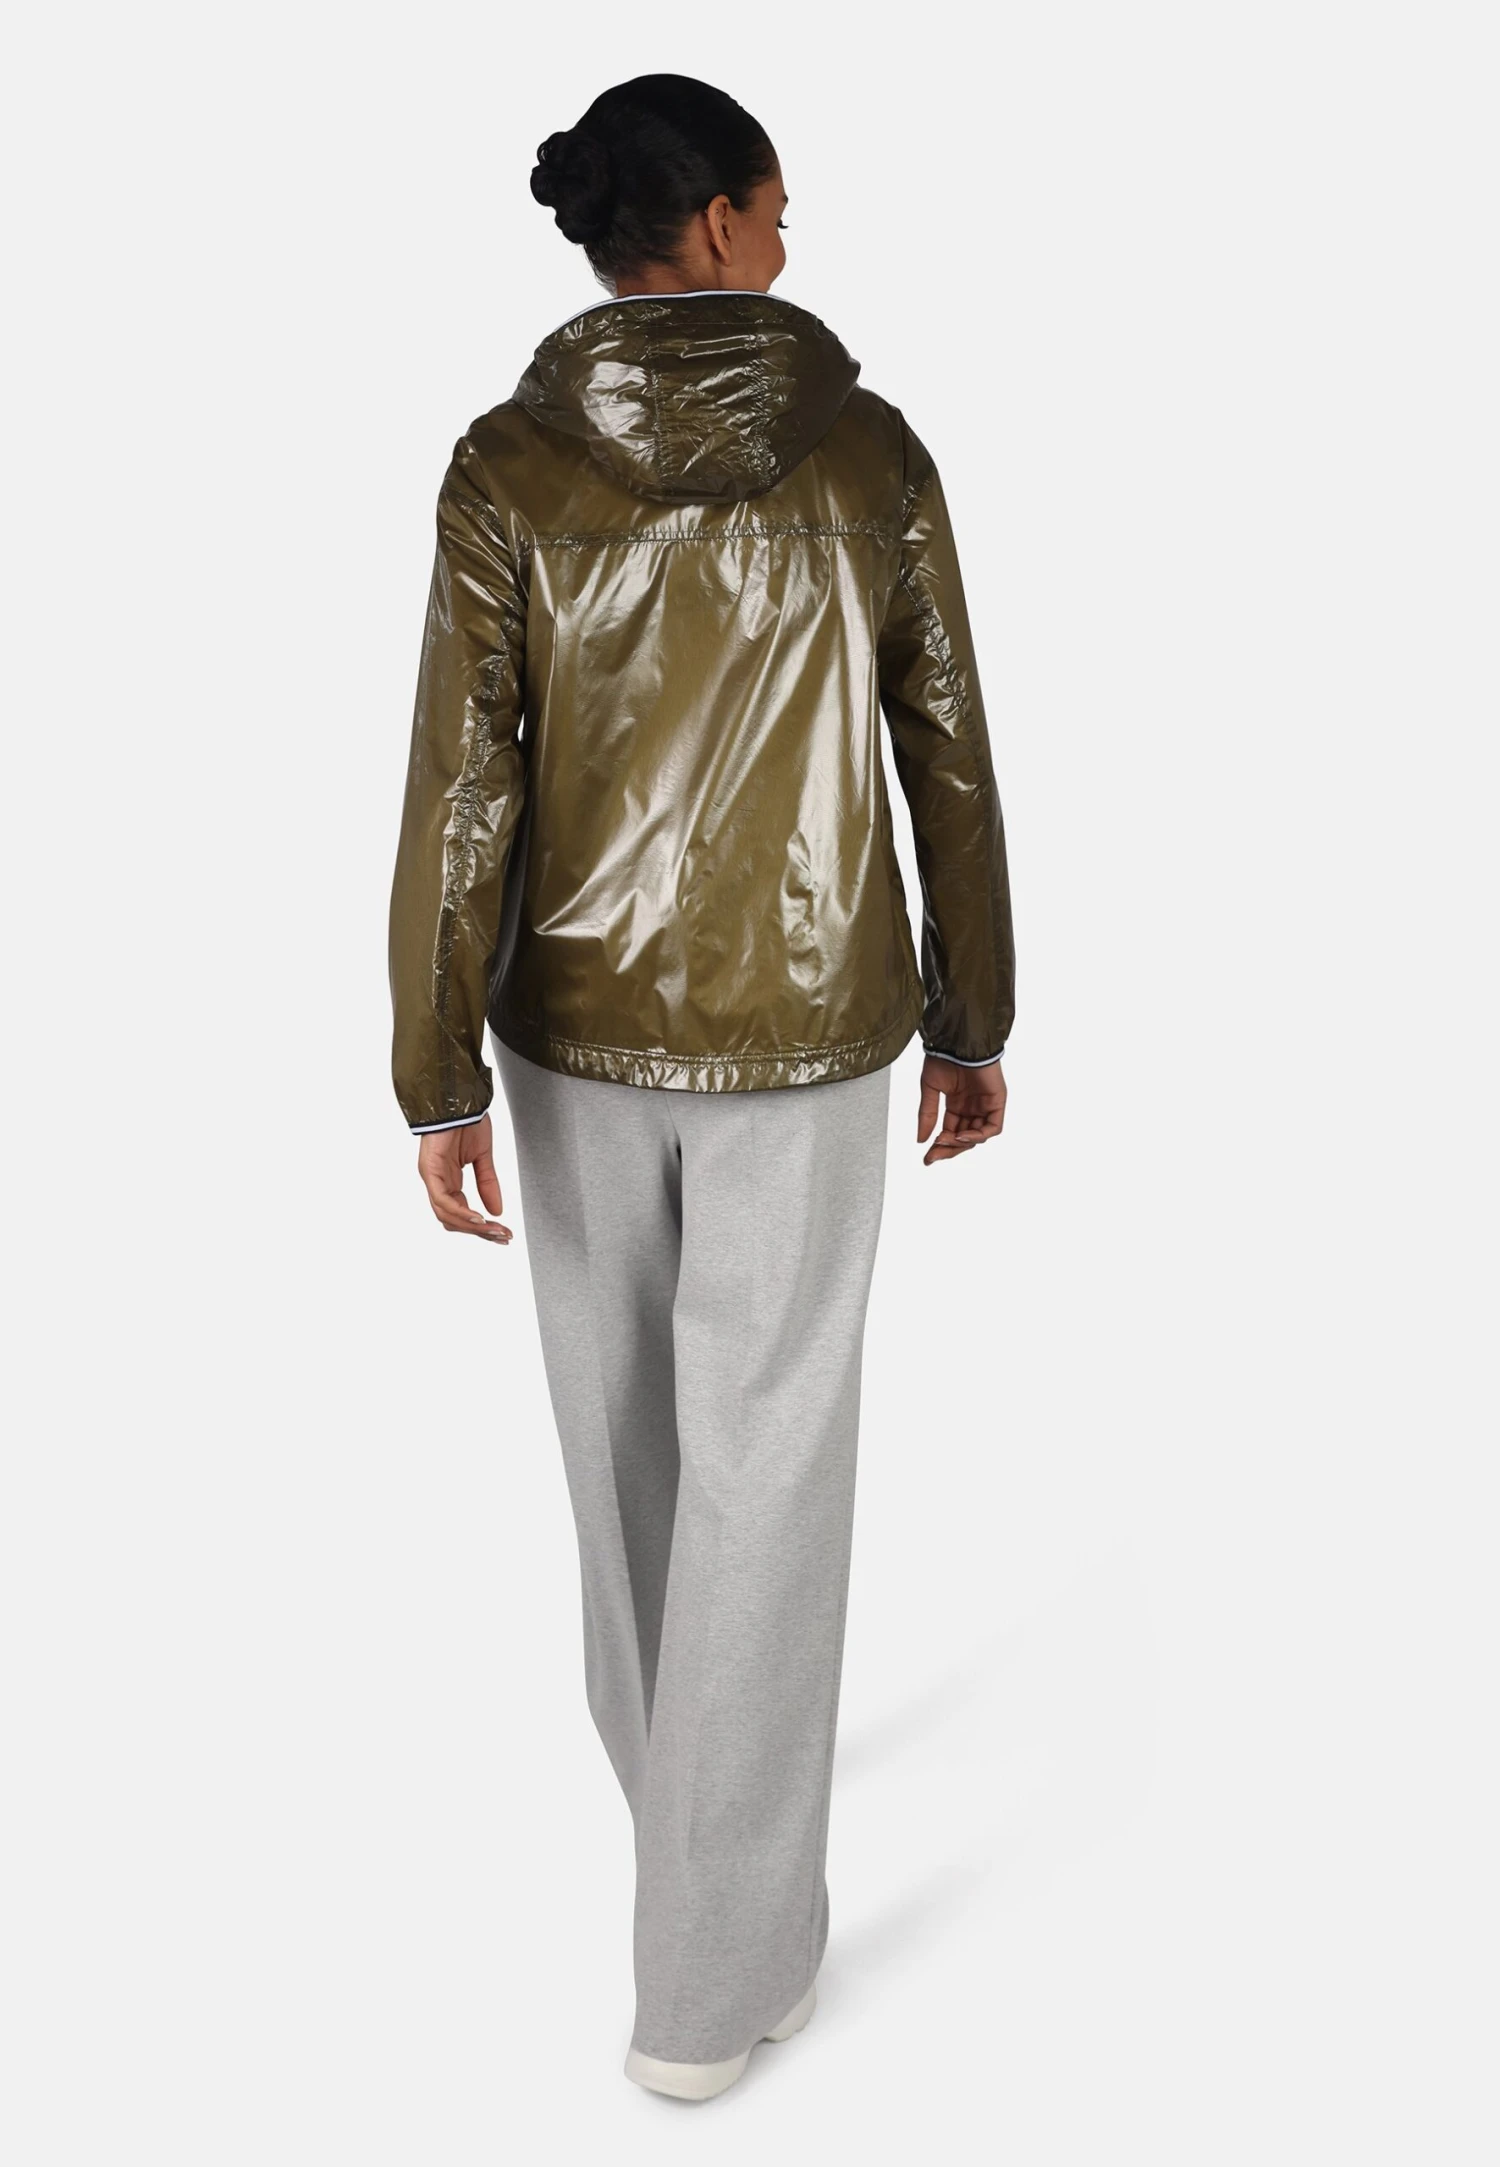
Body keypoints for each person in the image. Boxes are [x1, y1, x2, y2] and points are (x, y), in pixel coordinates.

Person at [388, 73, 1015, 2101]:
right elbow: (946, 748)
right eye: (780, 205)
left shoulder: (505, 466)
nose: (791, 235)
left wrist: (434, 1069)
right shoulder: (867, 451)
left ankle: (693, 1868)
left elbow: (462, 782)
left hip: (567, 1031)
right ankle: (713, 1975)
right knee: (772, 1466)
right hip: (812, 1027)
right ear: (725, 225)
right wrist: (973, 1012)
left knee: (625, 1458)